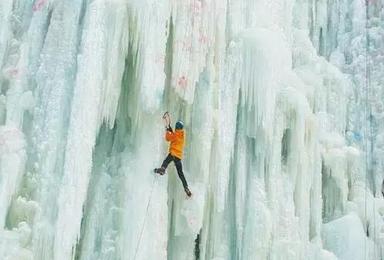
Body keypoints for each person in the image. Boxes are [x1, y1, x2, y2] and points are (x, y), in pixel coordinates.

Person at [154, 113, 192, 197]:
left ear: (176, 127)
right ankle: (186, 188)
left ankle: (162, 169)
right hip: (178, 157)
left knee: (166, 161)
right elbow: (174, 135)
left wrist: (167, 130)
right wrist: (170, 130)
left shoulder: (175, 135)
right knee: (180, 173)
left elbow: (168, 138)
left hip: (173, 154)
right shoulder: (182, 135)